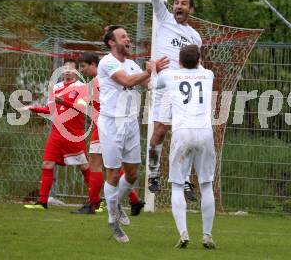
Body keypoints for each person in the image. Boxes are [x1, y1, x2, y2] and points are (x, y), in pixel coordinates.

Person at [98, 25, 168, 243]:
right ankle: (112, 219)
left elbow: (149, 84)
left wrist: (161, 75)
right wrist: (148, 71)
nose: (128, 39)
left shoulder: (130, 64)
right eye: (123, 36)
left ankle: (116, 203)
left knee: (133, 174)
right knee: (112, 173)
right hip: (111, 124)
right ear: (112, 42)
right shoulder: (107, 61)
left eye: (128, 36)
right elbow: (127, 81)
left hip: (130, 123)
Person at [147, 0, 202, 199]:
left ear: (191, 9)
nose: (178, 6)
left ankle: (186, 180)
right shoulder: (164, 18)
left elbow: (196, 65)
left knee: (187, 134)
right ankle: (153, 173)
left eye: (184, 4)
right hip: (163, 85)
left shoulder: (194, 36)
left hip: (184, 89)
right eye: (176, 3)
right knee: (160, 130)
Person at [157, 45, 216, 249]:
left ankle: (183, 233)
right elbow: (197, 69)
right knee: (206, 184)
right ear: (199, 60)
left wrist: (155, 68)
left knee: (177, 185)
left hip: (182, 132)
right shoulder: (208, 74)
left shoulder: (169, 76)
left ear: (179, 61)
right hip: (204, 132)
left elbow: (154, 84)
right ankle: (207, 235)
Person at [74, 52, 145, 215]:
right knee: (113, 168)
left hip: (105, 126)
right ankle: (134, 200)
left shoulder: (99, 81)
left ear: (94, 65)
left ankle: (93, 204)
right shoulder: (109, 77)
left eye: (83, 66)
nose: (82, 70)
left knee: (97, 164)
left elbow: (85, 105)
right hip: (114, 124)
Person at [23, 60, 92, 210]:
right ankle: (42, 202)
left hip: (73, 134)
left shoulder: (82, 88)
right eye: (65, 68)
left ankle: (96, 200)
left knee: (84, 166)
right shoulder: (55, 87)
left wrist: (64, 101)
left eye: (71, 68)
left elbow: (81, 108)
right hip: (56, 132)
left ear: (76, 71)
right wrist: (33, 108)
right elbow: (50, 110)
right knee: (47, 164)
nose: (67, 71)